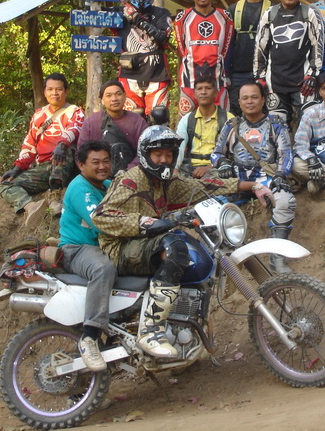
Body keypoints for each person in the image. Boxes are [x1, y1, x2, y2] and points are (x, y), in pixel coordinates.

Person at [91, 126, 272, 358]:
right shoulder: (131, 180)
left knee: (189, 247)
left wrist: (254, 186)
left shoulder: (169, 181)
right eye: (158, 155)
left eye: (169, 155)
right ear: (146, 155)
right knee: (174, 247)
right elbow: (101, 216)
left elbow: (204, 186)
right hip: (121, 248)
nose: (164, 160)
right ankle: (150, 330)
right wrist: (145, 222)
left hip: (147, 243)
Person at [211, 81, 297, 273]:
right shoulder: (231, 125)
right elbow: (215, 153)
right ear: (239, 101)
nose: (250, 101)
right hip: (237, 180)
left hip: (266, 178)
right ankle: (217, 260)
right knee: (209, 206)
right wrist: (223, 163)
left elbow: (286, 154)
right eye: (245, 98)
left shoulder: (276, 124)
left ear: (263, 100)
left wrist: (281, 175)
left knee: (286, 201)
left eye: (254, 97)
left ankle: (277, 256)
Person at [0, 73, 85, 229]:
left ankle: (55, 196)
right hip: (43, 168)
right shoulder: (39, 115)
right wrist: (17, 167)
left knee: (67, 149)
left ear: (66, 91)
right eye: (50, 89)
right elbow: (29, 144)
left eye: (59, 89)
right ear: (44, 92)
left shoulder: (75, 112)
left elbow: (74, 129)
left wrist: (62, 144)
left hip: (66, 165)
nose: (54, 93)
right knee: (4, 185)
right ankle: (30, 206)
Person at [57, 140, 116, 372]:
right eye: (95, 162)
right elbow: (101, 222)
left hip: (102, 246)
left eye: (106, 161)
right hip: (77, 249)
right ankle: (90, 336)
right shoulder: (80, 189)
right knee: (103, 268)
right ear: (81, 165)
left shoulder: (108, 185)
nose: (102, 166)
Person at [253, 0, 325, 125]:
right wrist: (259, 77)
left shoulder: (310, 13)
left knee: (310, 123)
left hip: (304, 82)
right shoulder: (269, 15)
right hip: (274, 83)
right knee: (277, 125)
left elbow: (317, 46)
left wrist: (313, 75)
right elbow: (260, 48)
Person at [174, 0, 233, 115]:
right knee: (187, 121)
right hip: (189, 80)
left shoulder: (225, 17)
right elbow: (182, 49)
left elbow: (226, 48)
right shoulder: (182, 18)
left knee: (222, 121)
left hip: (217, 80)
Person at [117, 0, 174, 117]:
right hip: (129, 75)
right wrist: (90, 3)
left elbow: (163, 38)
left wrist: (137, 19)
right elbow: (97, 16)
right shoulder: (119, 12)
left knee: (159, 116)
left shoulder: (162, 13)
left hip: (157, 74)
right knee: (131, 120)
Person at [78, 80, 148, 177]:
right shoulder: (92, 122)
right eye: (109, 95)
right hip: (97, 175)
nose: (114, 99)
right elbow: (80, 152)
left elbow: (145, 151)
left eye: (118, 94)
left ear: (125, 96)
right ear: (102, 100)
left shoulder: (138, 121)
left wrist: (129, 171)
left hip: (131, 175)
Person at [227, 0, 271, 116]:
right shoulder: (234, 9)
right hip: (238, 71)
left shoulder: (272, 9)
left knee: (265, 112)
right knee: (237, 112)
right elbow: (227, 43)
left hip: (265, 72)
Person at [176, 76, 234, 178]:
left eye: (208, 88)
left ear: (216, 93)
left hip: (219, 168)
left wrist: (210, 167)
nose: (203, 92)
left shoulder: (229, 119)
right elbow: (178, 148)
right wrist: (175, 170)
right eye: (199, 89)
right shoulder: (187, 119)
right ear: (194, 94)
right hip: (191, 168)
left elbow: (237, 153)